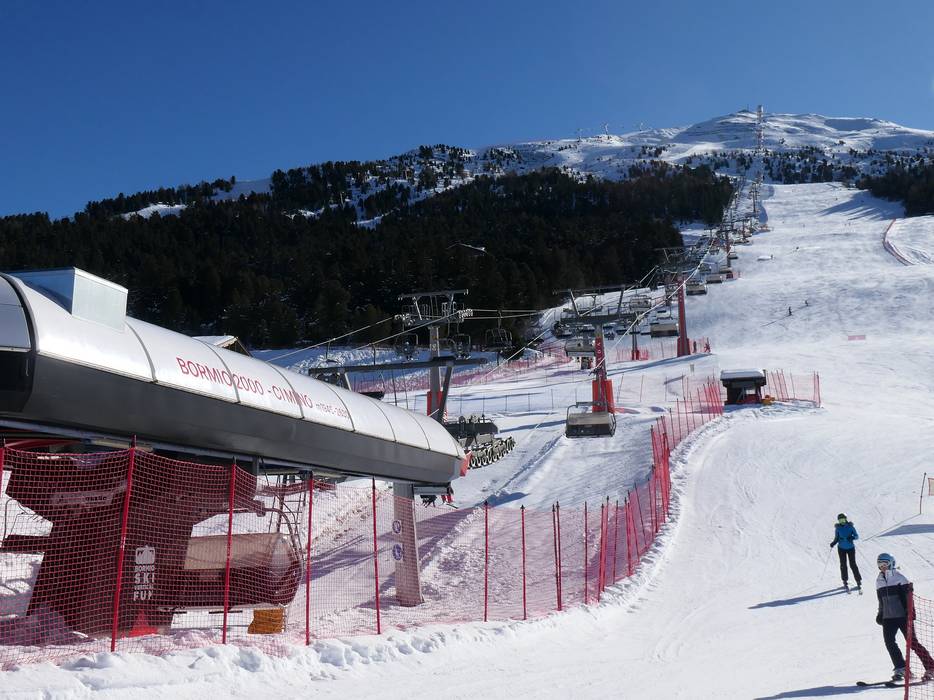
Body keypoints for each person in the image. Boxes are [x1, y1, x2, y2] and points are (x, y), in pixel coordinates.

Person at [875, 552, 934, 681]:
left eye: (885, 564)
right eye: (880, 564)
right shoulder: (879, 581)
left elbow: (909, 598)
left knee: (912, 643)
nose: (882, 567)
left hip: (903, 616)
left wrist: (910, 612)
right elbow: (881, 600)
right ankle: (901, 668)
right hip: (888, 618)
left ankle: (931, 667)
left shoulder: (900, 578)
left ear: (891, 564)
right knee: (890, 643)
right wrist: (880, 613)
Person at [830, 513, 861, 591]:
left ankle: (858, 580)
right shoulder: (838, 528)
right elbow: (836, 538)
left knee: (852, 564)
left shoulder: (850, 527)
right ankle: (845, 580)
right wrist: (833, 543)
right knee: (843, 565)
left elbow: (857, 536)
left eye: (843, 520)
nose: (842, 522)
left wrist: (852, 537)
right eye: (840, 520)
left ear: (846, 519)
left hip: (850, 548)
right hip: (841, 548)